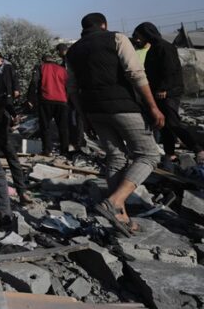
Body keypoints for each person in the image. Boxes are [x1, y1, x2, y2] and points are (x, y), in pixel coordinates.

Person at [67, 13, 164, 237]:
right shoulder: (116, 38)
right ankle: (114, 201)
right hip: (123, 107)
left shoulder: (72, 51)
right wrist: (152, 106)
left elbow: (72, 89)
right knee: (148, 154)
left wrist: (85, 118)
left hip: (94, 110)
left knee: (116, 158)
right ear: (104, 25)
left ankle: (121, 218)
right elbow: (135, 73)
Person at [132, 22, 204, 163]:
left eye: (138, 35)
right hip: (159, 92)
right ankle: (170, 153)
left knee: (173, 122)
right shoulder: (153, 48)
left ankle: (198, 149)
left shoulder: (165, 47)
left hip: (168, 92)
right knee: (164, 125)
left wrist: (163, 89)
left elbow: (170, 70)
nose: (137, 39)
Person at [27, 53, 71, 157]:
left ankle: (47, 150)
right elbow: (68, 84)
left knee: (45, 126)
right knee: (63, 127)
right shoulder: (62, 69)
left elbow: (34, 82)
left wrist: (30, 98)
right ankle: (65, 151)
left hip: (46, 100)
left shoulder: (40, 68)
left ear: (43, 60)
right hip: (62, 101)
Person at [56, 43, 85, 149]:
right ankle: (77, 140)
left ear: (61, 51)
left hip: (73, 92)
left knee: (76, 117)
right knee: (75, 117)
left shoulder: (69, 61)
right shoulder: (68, 61)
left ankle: (78, 140)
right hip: (72, 92)